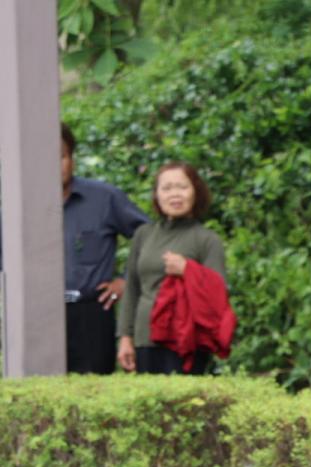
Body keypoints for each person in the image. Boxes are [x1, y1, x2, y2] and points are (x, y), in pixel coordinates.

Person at [0, 124, 149, 373]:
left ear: (72, 159)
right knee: (38, 394)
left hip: (91, 313)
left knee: (93, 392)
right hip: (35, 315)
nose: (54, 165)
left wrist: (126, 282)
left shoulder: (104, 198)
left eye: (60, 156)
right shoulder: (15, 208)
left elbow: (150, 237)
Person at [117, 161, 226, 374]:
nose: (174, 194)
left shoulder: (207, 240)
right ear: (157, 195)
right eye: (166, 188)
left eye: (182, 187)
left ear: (196, 192)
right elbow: (132, 289)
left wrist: (188, 270)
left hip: (186, 341)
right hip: (144, 338)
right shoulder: (143, 235)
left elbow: (218, 294)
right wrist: (125, 338)